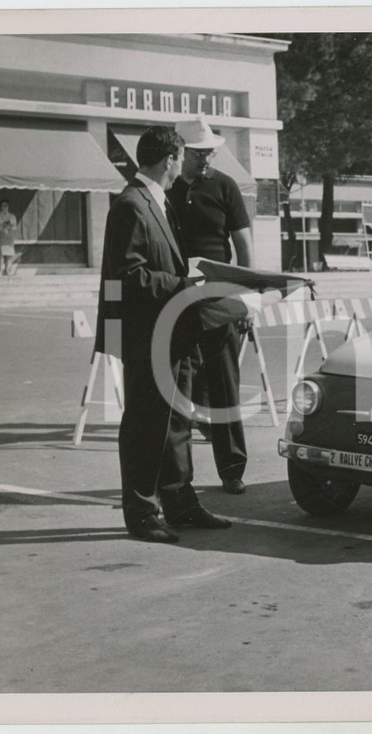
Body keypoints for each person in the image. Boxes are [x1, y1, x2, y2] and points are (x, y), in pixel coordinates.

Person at [94, 125, 260, 543]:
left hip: (174, 331)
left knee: (177, 422)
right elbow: (129, 276)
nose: (180, 167)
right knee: (147, 426)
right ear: (170, 160)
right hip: (148, 336)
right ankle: (142, 512)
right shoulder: (131, 205)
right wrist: (186, 283)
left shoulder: (155, 201)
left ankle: (180, 502)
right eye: (179, 160)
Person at [167, 117, 254, 495]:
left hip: (220, 301)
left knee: (225, 387)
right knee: (176, 392)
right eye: (199, 152)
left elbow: (244, 247)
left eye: (210, 152)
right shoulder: (164, 190)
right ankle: (176, 479)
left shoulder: (225, 186)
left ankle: (232, 470)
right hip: (176, 301)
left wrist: (246, 299)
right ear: (180, 152)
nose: (206, 159)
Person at [0, 199, 18, 276]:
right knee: (1, 254)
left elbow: (15, 226)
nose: (5, 207)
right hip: (1, 236)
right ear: (1, 207)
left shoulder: (12, 216)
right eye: (3, 205)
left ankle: (7, 270)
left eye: (6, 205)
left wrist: (10, 227)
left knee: (9, 254)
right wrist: (2, 227)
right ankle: (0, 270)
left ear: (8, 206)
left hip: (9, 236)